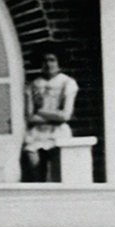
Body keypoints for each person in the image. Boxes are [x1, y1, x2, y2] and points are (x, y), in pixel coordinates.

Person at [21, 47, 79, 183]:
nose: (48, 64)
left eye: (52, 60)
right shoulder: (33, 85)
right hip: (36, 134)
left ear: (59, 61)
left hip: (58, 132)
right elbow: (29, 116)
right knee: (35, 175)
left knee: (59, 175)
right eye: (44, 61)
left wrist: (40, 112)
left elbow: (65, 115)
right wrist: (53, 115)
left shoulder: (67, 83)